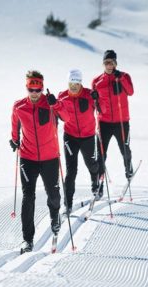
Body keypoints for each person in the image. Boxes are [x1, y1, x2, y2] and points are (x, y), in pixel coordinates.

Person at [9, 70, 61, 254]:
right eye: (31, 89)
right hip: (28, 157)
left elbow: (66, 116)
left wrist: (57, 104)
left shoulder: (50, 104)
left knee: (53, 195)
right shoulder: (18, 107)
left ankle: (55, 216)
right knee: (28, 196)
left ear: (42, 87)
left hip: (50, 158)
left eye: (38, 89)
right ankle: (27, 240)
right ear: (27, 87)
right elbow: (15, 126)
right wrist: (14, 140)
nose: (35, 93)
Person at [48, 69, 99, 216]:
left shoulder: (89, 95)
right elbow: (57, 115)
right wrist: (53, 105)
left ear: (81, 82)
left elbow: (102, 110)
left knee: (92, 164)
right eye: (72, 82)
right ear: (68, 82)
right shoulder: (62, 96)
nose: (74, 86)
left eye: (77, 83)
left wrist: (98, 99)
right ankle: (68, 203)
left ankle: (95, 183)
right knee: (71, 171)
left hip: (88, 136)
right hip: (70, 137)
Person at [91, 49, 135, 198]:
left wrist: (120, 79)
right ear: (103, 64)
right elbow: (93, 103)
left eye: (112, 62)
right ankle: (100, 183)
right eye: (106, 63)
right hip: (104, 122)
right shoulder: (97, 81)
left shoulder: (124, 76)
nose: (109, 65)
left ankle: (128, 168)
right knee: (101, 155)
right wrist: (94, 98)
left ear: (116, 63)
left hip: (122, 122)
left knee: (125, 150)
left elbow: (130, 91)